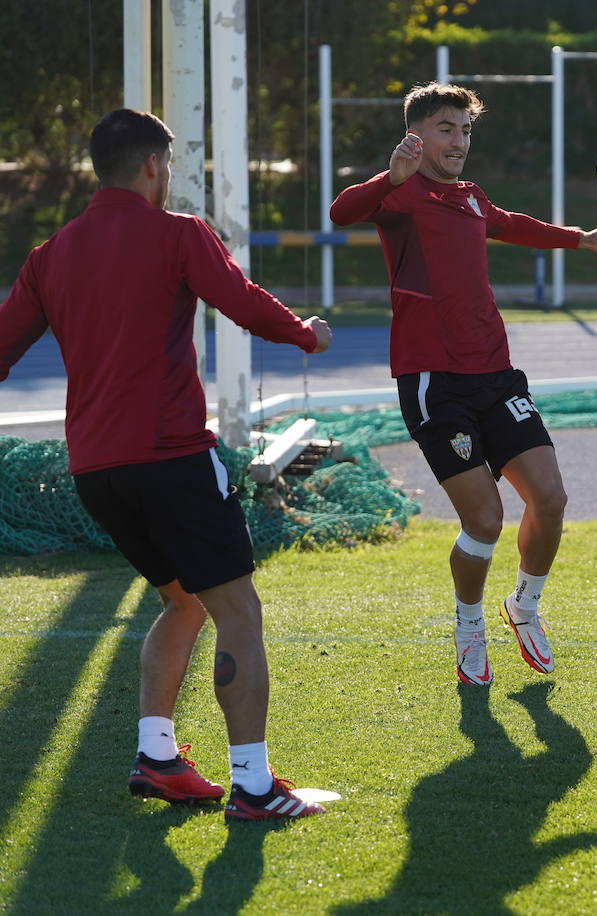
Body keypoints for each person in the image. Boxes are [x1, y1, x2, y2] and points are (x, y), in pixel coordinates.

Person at [0, 109, 334, 821]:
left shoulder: (50, 254)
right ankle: (253, 786)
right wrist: (305, 334)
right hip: (172, 459)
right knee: (238, 610)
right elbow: (241, 303)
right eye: (170, 165)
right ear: (153, 166)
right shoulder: (178, 232)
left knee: (183, 601)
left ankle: (157, 758)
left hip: (95, 473)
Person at [330, 82, 597, 686]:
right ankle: (469, 625)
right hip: (433, 381)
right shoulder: (402, 195)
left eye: (466, 131)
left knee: (550, 498)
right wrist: (390, 177)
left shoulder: (469, 197)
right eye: (448, 129)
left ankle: (524, 605)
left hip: (495, 371)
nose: (460, 141)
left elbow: (511, 224)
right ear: (416, 135)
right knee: (486, 520)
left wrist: (582, 239)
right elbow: (342, 212)